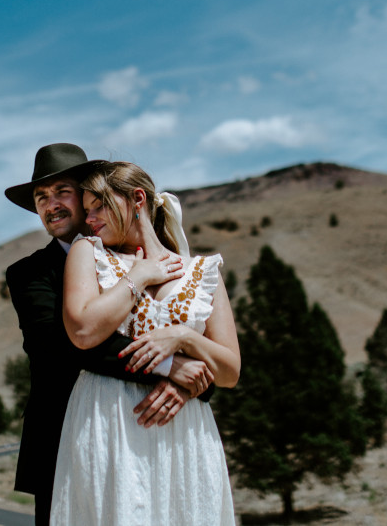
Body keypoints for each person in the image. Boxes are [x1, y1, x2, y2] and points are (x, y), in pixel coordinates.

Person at [4, 144, 215, 526]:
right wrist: (169, 366)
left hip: (149, 435)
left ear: (87, 198)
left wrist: (193, 383)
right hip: (66, 437)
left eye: (61, 192)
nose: (51, 205)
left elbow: (189, 329)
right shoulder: (29, 273)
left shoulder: (145, 260)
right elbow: (62, 346)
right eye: (41, 197)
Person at [52, 160, 240, 526]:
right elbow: (83, 332)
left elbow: (230, 371)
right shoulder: (88, 253)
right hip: (110, 424)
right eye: (86, 210)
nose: (89, 219)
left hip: (186, 435)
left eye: (99, 206)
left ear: (137, 199)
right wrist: (137, 277)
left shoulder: (202, 272)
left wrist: (183, 336)